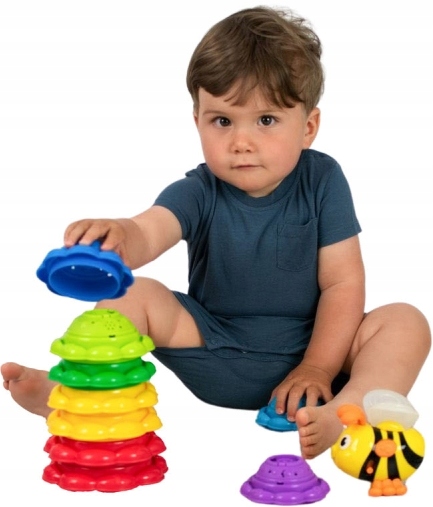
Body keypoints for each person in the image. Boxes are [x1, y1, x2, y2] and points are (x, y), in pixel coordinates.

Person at [1, 6, 430, 460]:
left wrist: (319, 367)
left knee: (406, 322)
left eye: (266, 120)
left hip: (318, 354)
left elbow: (343, 282)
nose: (240, 142)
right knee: (136, 292)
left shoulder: (322, 180)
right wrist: (118, 236)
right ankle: (79, 393)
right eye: (222, 121)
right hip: (213, 345)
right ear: (197, 121)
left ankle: (346, 411)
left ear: (308, 128)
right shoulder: (198, 190)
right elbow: (150, 230)